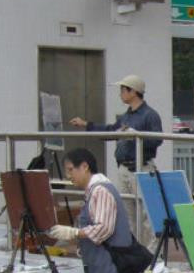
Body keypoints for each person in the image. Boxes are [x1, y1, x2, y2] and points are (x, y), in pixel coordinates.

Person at [69, 74, 162, 238]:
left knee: (145, 213)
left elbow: (157, 139)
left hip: (141, 168)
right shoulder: (126, 116)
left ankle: (151, 250)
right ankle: (133, 248)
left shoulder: (150, 115)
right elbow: (111, 130)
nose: (120, 94)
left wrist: (136, 136)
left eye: (123, 90)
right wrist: (86, 124)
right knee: (127, 212)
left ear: (133, 91)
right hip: (124, 168)